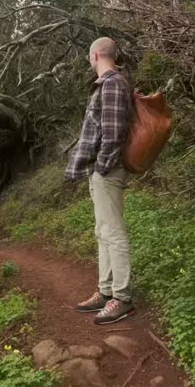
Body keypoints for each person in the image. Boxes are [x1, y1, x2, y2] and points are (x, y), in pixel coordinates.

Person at [66, 37, 135, 325]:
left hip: (108, 170)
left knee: (114, 233)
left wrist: (103, 167)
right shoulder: (107, 84)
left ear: (95, 55)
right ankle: (106, 292)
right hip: (100, 170)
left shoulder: (112, 84)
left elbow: (114, 133)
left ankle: (122, 298)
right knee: (103, 231)